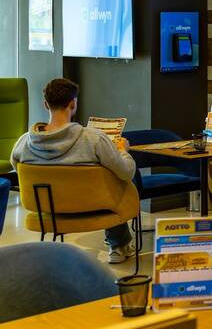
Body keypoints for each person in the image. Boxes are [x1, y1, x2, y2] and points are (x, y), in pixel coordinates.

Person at [10, 78, 137, 264]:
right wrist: (122, 151)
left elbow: (18, 170)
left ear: (46, 104)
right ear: (73, 104)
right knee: (115, 178)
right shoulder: (94, 139)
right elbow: (127, 173)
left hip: (49, 210)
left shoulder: (24, 142)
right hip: (94, 208)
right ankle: (119, 246)